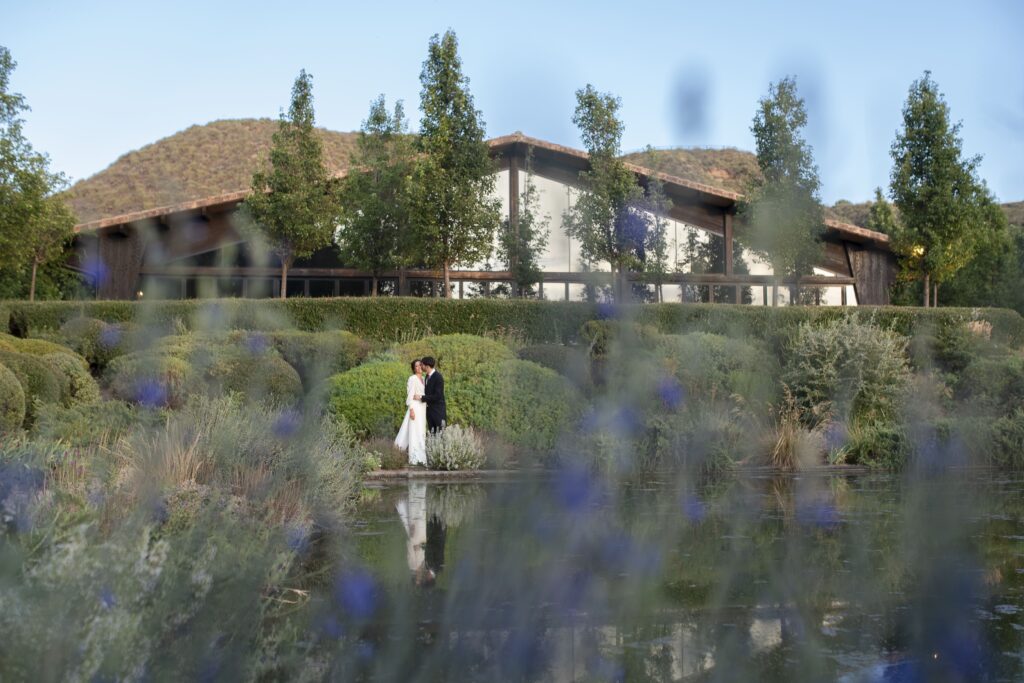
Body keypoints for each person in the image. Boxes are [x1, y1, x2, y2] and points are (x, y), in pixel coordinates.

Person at [394, 359, 427, 466]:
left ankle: (422, 458)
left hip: (422, 408)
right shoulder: (412, 379)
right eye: (416, 366)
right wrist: (411, 410)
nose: (418, 368)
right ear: (413, 369)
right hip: (415, 408)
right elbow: (410, 396)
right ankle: (414, 459)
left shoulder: (424, 378)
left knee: (421, 432)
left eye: (420, 365)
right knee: (414, 431)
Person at [419, 356, 446, 433]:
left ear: (427, 366)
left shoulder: (438, 377)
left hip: (438, 411)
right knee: (432, 433)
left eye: (422, 365)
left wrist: (422, 398)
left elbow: (437, 396)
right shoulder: (427, 376)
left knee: (440, 433)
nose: (421, 366)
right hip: (429, 411)